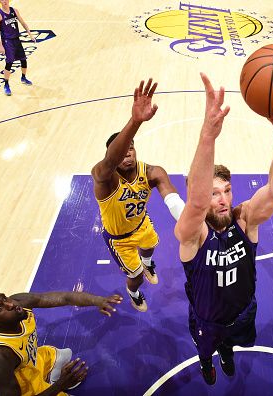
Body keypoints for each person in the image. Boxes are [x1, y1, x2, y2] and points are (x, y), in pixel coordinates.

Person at [174, 73, 273, 385]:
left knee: (231, 345)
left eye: (226, 190)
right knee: (205, 349)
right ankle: (207, 363)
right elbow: (196, 205)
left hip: (243, 313)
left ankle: (226, 351)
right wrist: (207, 137)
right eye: (214, 193)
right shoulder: (193, 236)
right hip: (207, 319)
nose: (223, 199)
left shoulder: (244, 219)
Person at [91, 78, 185, 313]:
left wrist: (188, 221)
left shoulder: (152, 172)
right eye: (121, 151)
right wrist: (135, 121)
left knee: (150, 248)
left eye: (130, 148)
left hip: (141, 224)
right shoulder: (105, 179)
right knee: (135, 277)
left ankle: (147, 263)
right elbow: (109, 162)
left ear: (135, 149)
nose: (126, 154)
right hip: (119, 238)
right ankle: (133, 293)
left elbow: (172, 199)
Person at [0, 289, 123, 396]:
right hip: (24, 389)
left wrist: (98, 300)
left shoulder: (18, 303)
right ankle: (50, 383)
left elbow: (65, 297)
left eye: (4, 298)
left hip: (34, 361)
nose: (10, 304)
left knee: (61, 355)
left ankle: (48, 375)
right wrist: (60, 384)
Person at [0, 0, 37, 96]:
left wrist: (30, 34)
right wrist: (0, 45)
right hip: (7, 41)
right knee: (9, 63)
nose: (4, 1)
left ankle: (23, 77)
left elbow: (23, 23)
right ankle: (6, 84)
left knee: (23, 60)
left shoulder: (14, 10)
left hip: (16, 39)